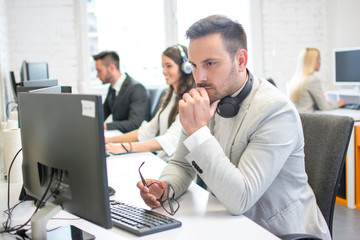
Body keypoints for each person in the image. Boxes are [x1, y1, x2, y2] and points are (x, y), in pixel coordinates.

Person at [136, 15, 331, 239]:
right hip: (231, 226)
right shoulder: (208, 98)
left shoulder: (275, 111)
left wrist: (198, 132)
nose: (200, 77)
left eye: (210, 63)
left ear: (240, 60)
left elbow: (241, 199)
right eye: (194, 65)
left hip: (280, 232)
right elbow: (181, 163)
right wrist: (166, 188)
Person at [105, 45, 195, 162]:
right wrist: (108, 140)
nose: (164, 71)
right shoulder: (170, 96)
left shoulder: (190, 100)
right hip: (163, 160)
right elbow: (147, 131)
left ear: (185, 68)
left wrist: (124, 147)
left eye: (169, 66)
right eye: (163, 66)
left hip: (176, 166)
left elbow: (169, 140)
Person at [93, 51, 150, 132]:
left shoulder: (137, 88)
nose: (97, 75)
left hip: (131, 139)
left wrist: (105, 126)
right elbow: (102, 114)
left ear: (111, 68)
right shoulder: (112, 88)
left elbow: (135, 124)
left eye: (99, 71)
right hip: (119, 135)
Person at [289, 48, 346, 112]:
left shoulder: (296, 79)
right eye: (319, 59)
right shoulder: (312, 79)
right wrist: (338, 104)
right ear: (313, 61)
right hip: (309, 118)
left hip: (300, 119)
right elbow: (324, 107)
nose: (320, 62)